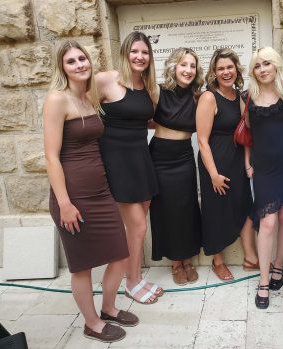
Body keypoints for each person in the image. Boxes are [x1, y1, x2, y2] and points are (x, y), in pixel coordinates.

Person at [44, 40, 137, 343]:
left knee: (120, 253)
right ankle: (92, 322)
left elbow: (123, 79)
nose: (79, 65)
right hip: (73, 195)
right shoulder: (57, 100)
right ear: (62, 67)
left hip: (100, 191)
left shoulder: (89, 97)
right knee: (82, 266)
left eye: (82, 58)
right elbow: (51, 156)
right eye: (71, 61)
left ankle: (109, 308)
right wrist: (64, 203)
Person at [96, 32, 162, 305]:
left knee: (138, 225)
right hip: (117, 162)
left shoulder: (147, 85)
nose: (140, 57)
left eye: (145, 52)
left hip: (140, 158)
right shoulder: (105, 80)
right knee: (137, 226)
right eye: (135, 51)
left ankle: (133, 276)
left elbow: (142, 120)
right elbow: (81, 113)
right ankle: (131, 283)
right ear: (125, 52)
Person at [196, 48, 257, 281]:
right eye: (220, 68)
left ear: (237, 69)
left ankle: (250, 257)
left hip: (237, 162)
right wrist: (213, 174)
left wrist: (248, 163)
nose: (226, 72)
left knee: (245, 207)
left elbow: (246, 132)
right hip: (216, 163)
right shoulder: (209, 97)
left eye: (229, 67)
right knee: (216, 211)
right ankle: (217, 261)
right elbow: (202, 140)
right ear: (214, 72)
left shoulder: (239, 97)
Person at [149, 48, 203, 285]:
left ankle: (187, 259)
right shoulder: (158, 91)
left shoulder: (198, 96)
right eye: (183, 65)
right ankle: (175, 262)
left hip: (183, 155)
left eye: (192, 66)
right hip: (160, 155)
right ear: (173, 66)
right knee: (167, 209)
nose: (188, 70)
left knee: (186, 208)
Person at [245, 47, 283, 309]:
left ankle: (278, 263)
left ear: (276, 66)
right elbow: (247, 136)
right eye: (257, 65)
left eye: (267, 63)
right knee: (268, 223)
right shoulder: (248, 97)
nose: (262, 69)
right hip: (263, 170)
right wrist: (247, 163)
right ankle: (264, 279)